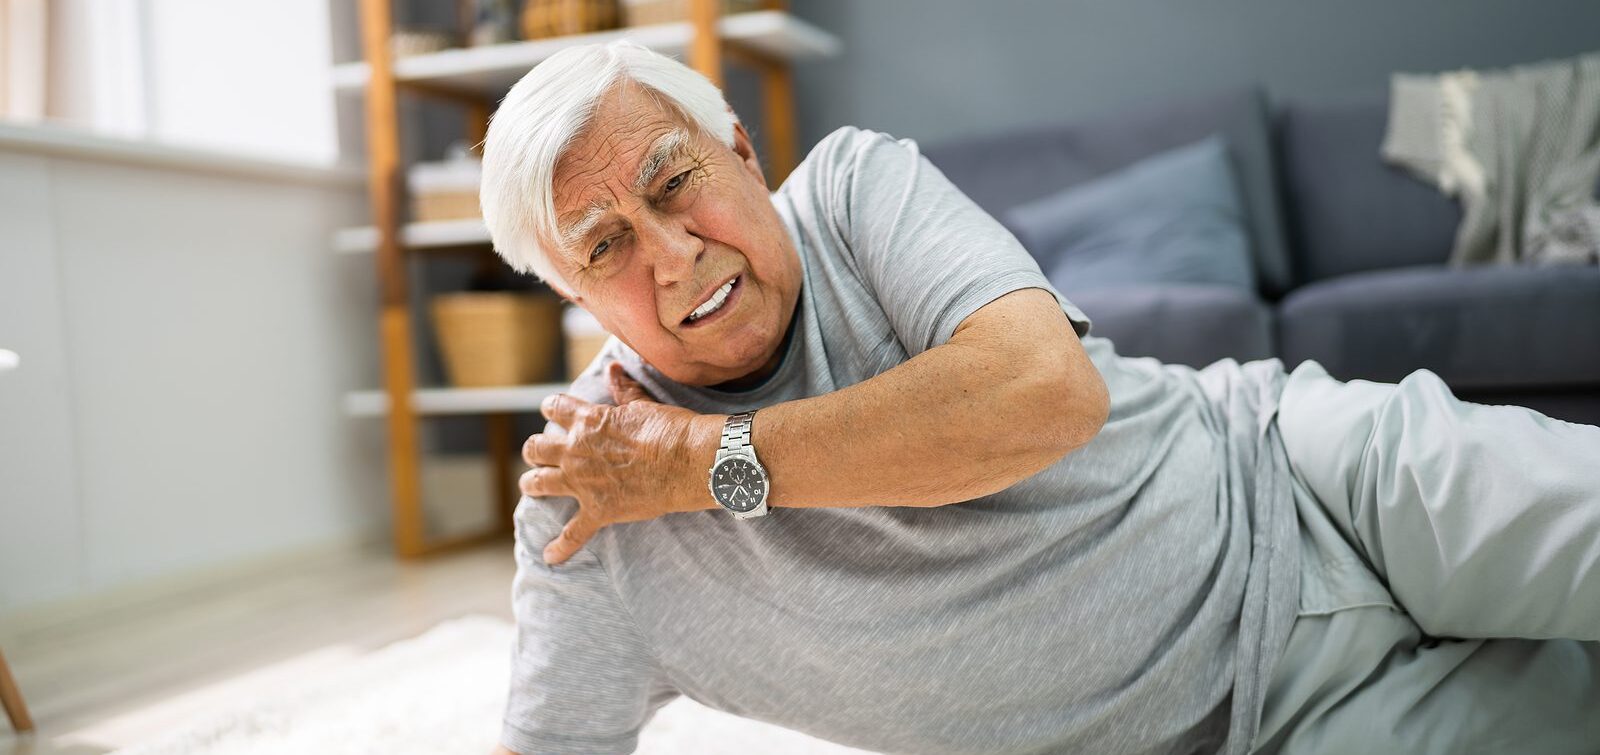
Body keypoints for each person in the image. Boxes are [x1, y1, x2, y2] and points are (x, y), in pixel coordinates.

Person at [476, 39, 1600, 755]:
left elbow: (1038, 394)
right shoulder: (590, 506)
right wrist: (653, 477)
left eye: (676, 181)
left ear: (740, 149)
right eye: (606, 243)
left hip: (1307, 477)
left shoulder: (858, 188)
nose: (671, 254)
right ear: (572, 293)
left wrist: (700, 463)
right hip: (1266, 723)